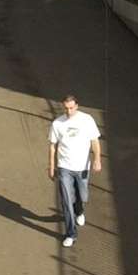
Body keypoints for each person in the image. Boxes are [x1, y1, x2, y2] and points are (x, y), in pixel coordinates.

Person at [47, 94, 101, 248]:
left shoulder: (87, 120)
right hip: (64, 167)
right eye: (66, 108)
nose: (69, 111)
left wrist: (97, 159)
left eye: (71, 108)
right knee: (66, 200)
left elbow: (95, 141)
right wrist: (51, 166)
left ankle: (80, 210)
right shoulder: (58, 123)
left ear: (77, 106)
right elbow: (52, 146)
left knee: (82, 195)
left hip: (82, 167)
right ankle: (71, 233)